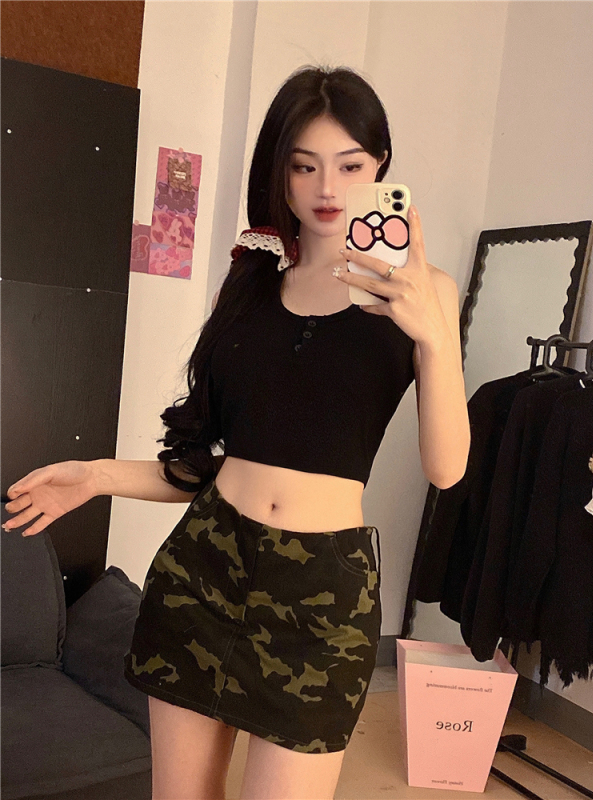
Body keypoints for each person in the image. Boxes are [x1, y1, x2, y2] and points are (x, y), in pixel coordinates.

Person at [3, 65, 470, 800]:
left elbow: (447, 468)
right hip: (204, 572)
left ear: (381, 167)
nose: (327, 188)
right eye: (304, 165)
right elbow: (202, 464)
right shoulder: (251, 284)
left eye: (350, 166)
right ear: (279, 172)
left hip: (322, 597)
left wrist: (434, 340)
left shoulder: (427, 292)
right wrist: (94, 475)